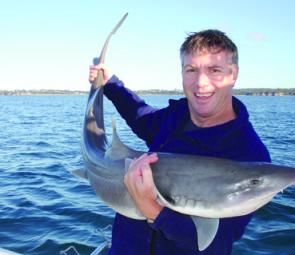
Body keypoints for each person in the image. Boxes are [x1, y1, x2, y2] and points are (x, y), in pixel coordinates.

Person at [89, 29, 271, 255]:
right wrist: (110, 84)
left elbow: (216, 246)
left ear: (233, 74)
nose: (200, 83)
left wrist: (155, 211)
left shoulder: (249, 155)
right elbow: (142, 118)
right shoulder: (177, 116)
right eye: (191, 70)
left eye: (214, 70)